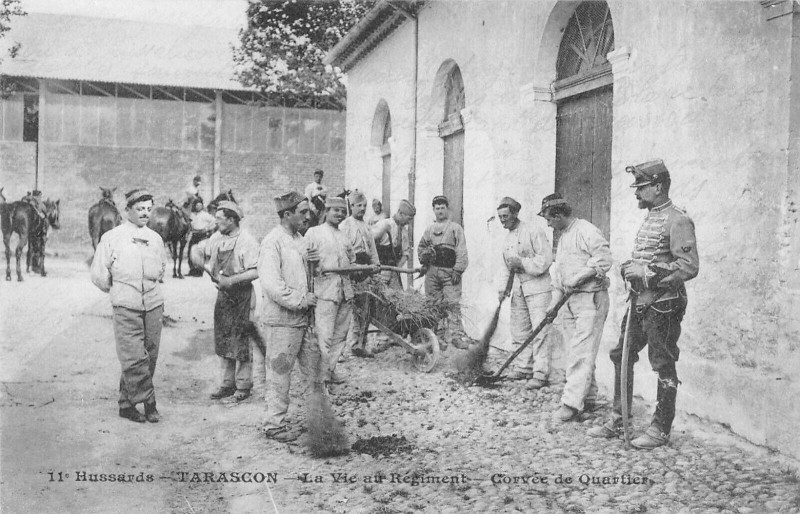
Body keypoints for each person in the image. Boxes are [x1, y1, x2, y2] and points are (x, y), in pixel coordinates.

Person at [588, 159, 699, 449]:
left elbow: (688, 266)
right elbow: (653, 257)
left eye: (641, 187)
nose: (636, 193)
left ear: (659, 186)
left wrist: (647, 273)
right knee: (620, 355)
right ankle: (619, 417)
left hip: (664, 304)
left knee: (663, 364)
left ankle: (661, 428)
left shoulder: (678, 219)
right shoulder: (651, 216)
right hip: (640, 301)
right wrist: (631, 267)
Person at [90, 188, 167, 423]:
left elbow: (162, 267)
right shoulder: (112, 237)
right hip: (126, 304)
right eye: (139, 209)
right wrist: (117, 290)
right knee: (133, 357)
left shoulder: (155, 239)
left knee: (150, 355)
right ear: (127, 210)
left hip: (153, 303)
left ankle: (126, 403)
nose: (145, 213)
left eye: (148, 209)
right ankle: (149, 401)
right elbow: (99, 274)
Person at [539, 194, 613, 422]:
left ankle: (570, 404)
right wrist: (553, 304)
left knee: (581, 352)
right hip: (570, 301)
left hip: (590, 299)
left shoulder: (586, 231)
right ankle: (588, 398)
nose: (548, 224)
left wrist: (580, 277)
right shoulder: (563, 237)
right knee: (576, 350)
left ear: (559, 215)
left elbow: (604, 259)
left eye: (550, 219)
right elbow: (559, 275)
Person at [258, 191, 321, 442]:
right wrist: (299, 299)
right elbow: (272, 284)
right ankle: (273, 424)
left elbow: (305, 273)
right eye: (302, 212)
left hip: (303, 319)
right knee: (280, 371)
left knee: (313, 370)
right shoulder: (272, 241)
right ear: (287, 215)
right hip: (282, 320)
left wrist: (313, 261)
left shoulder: (299, 239)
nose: (308, 216)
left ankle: (318, 420)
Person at [198, 201, 260, 402]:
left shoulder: (247, 241)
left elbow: (256, 270)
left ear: (231, 220)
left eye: (219, 219)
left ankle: (243, 385)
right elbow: (209, 262)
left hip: (242, 296)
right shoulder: (216, 238)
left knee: (241, 339)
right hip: (224, 296)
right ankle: (226, 384)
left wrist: (231, 280)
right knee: (224, 337)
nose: (216, 222)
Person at [497, 196, 553, 388]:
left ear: (515, 214)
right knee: (519, 330)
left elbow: (545, 260)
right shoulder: (507, 240)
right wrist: (502, 289)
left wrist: (523, 263)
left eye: (505, 216)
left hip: (538, 288)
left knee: (540, 330)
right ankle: (523, 367)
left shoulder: (533, 231)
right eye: (500, 217)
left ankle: (540, 373)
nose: (502, 220)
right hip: (518, 289)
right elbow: (506, 267)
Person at [305, 197, 355, 384]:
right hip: (325, 290)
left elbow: (351, 259)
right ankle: (320, 378)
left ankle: (329, 371)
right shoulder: (314, 232)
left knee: (340, 335)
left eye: (343, 212)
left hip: (345, 290)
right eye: (336, 210)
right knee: (324, 336)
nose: (340, 214)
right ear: (326, 211)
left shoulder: (344, 236)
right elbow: (306, 260)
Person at [418, 195, 469, 350]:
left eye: (442, 208)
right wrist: (425, 257)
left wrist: (458, 270)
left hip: (449, 272)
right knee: (434, 304)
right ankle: (439, 336)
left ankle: (456, 336)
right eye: (437, 208)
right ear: (433, 210)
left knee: (452, 304)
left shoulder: (455, 228)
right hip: (432, 273)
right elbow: (421, 248)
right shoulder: (429, 229)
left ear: (447, 209)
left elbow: (461, 250)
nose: (440, 211)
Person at [340, 190, 381, 358]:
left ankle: (359, 345)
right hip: (351, 272)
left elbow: (372, 249)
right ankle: (343, 350)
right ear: (351, 206)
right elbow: (342, 251)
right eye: (359, 206)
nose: (362, 209)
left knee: (365, 310)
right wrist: (352, 267)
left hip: (365, 272)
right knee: (348, 312)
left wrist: (375, 265)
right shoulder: (345, 226)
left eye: (364, 206)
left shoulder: (367, 226)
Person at [372, 200, 416, 289]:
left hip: (394, 274)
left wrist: (397, 270)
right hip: (380, 273)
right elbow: (370, 242)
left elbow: (406, 253)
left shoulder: (404, 232)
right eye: (408, 219)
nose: (409, 222)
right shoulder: (384, 224)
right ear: (400, 213)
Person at [187, 198, 216, 277]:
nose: (199, 207)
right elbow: (190, 224)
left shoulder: (205, 215)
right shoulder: (192, 215)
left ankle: (199, 271)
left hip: (202, 235)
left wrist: (207, 229)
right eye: (197, 205)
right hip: (194, 234)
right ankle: (192, 270)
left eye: (200, 205)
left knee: (199, 252)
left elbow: (214, 221)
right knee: (190, 252)